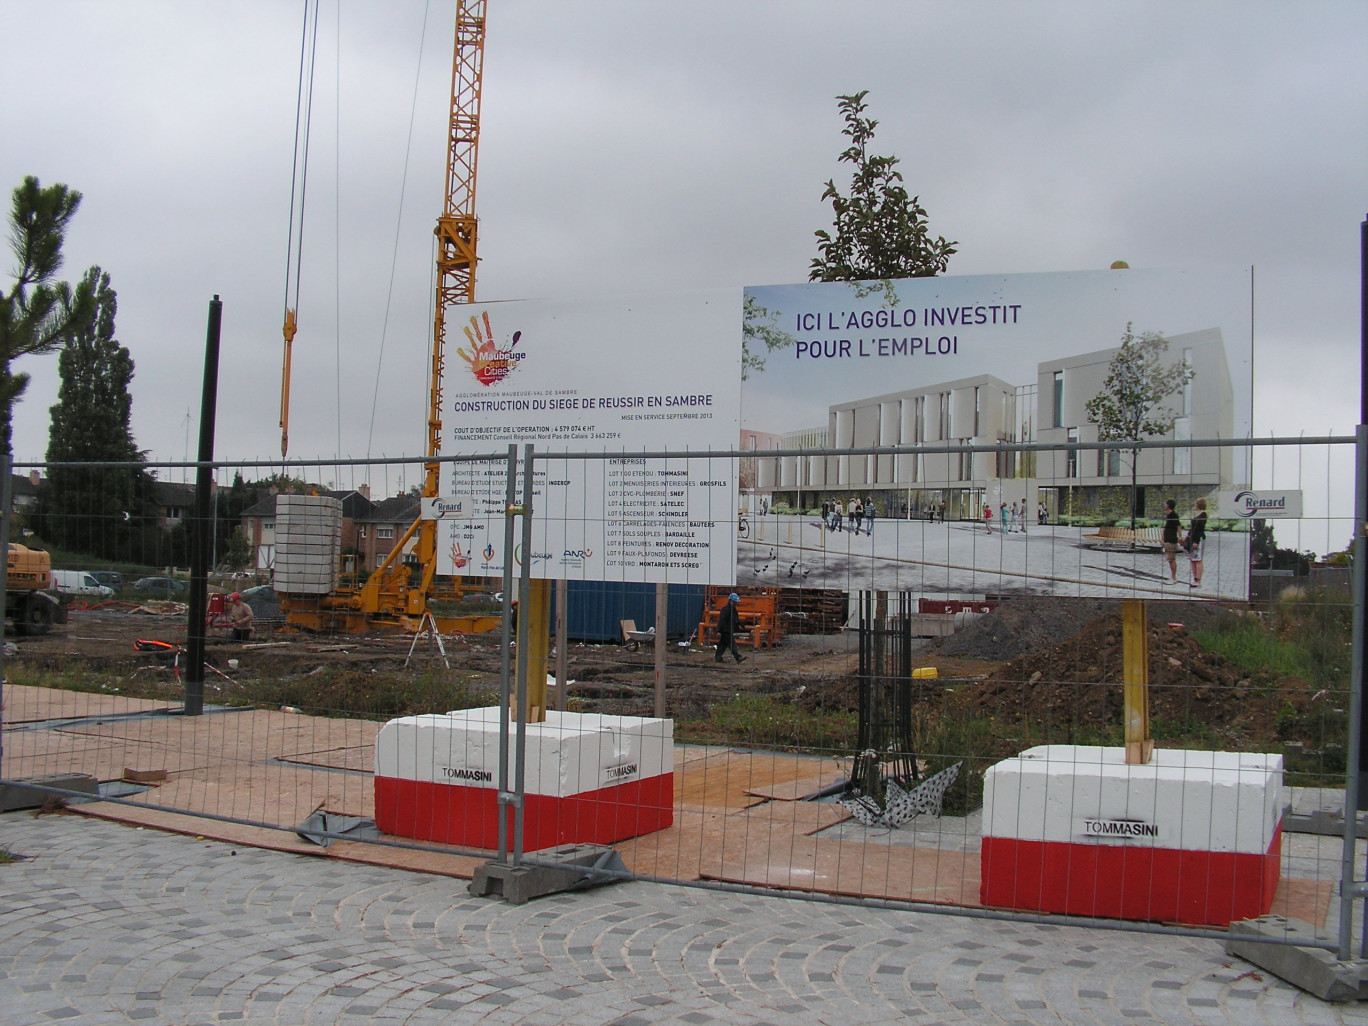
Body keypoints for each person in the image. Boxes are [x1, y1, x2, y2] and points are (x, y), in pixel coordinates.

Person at [715, 592, 746, 664]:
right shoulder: (726, 609)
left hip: (728, 629)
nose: (736, 603)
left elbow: (736, 619)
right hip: (726, 630)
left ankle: (718, 658)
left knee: (722, 645)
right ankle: (738, 657)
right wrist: (718, 630)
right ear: (731, 601)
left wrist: (741, 625)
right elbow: (721, 620)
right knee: (732, 644)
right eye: (735, 602)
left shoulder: (733, 609)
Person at [1186, 497, 1208, 588]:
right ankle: (1195, 578)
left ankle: (1198, 580)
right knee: (1193, 560)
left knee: (1198, 560)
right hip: (1192, 539)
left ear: (1198, 505)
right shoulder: (1197, 515)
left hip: (1198, 539)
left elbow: (1199, 529)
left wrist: (1196, 541)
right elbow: (1193, 528)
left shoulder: (1203, 515)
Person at [1161, 499, 1182, 584]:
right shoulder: (1169, 515)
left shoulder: (1173, 515)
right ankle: (1172, 576)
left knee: (1171, 559)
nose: (1164, 505)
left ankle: (1173, 578)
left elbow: (1178, 526)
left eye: (1165, 504)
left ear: (1168, 505)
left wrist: (1180, 537)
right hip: (1167, 540)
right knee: (1170, 559)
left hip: (1171, 540)